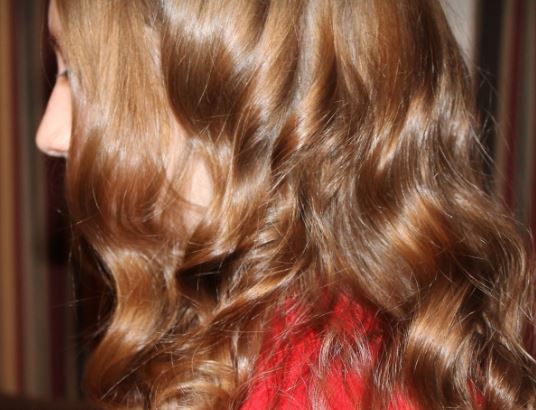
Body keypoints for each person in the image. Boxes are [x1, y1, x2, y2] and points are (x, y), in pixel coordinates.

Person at [36, 0, 536, 409]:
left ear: (246, 97)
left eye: (79, 76)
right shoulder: (276, 326)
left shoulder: (327, 384)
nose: (49, 133)